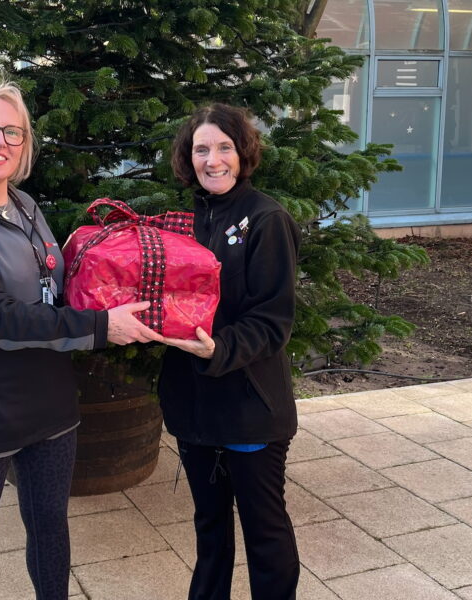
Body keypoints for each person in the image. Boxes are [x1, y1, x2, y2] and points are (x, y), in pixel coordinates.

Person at [0, 81, 162, 600]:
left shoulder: (26, 207)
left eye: (12, 131)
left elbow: (54, 289)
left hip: (48, 406)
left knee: (50, 526)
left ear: (24, 145)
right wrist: (98, 327)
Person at [159, 103, 302, 600]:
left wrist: (217, 347)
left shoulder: (267, 219)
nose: (213, 159)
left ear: (242, 153)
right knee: (209, 531)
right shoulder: (183, 222)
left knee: (264, 533)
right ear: (188, 156)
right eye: (202, 149)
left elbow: (273, 320)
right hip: (193, 406)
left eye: (224, 147)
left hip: (249, 405)